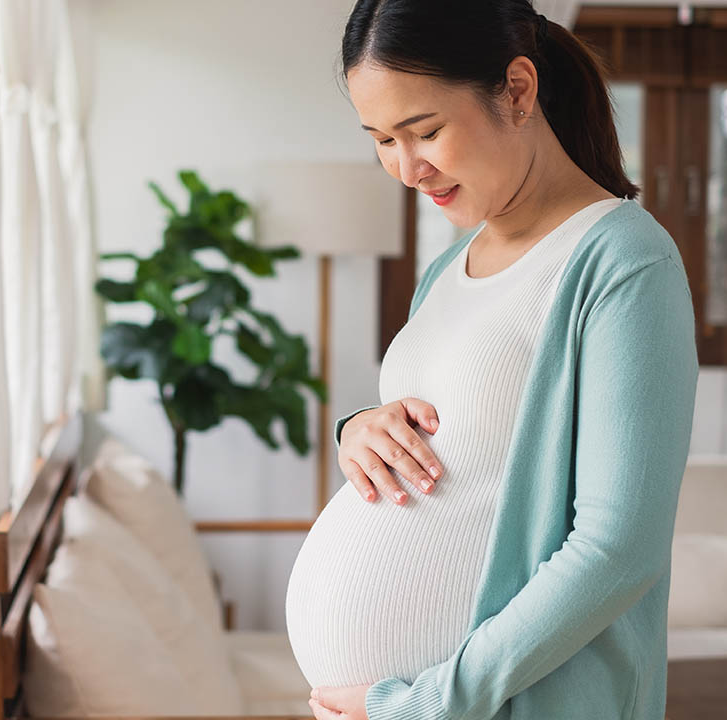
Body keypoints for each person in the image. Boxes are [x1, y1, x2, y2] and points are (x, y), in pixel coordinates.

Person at [282, 1, 699, 719]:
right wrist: (361, 428)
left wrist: (428, 703)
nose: (406, 168)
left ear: (517, 90)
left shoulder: (623, 261)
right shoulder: (447, 269)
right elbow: (465, 442)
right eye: (381, 139)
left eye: (426, 131)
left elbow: (618, 549)